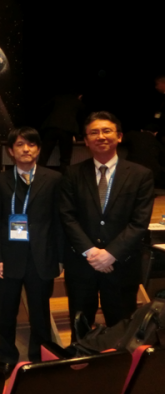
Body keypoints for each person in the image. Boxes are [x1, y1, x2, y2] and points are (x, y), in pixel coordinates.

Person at [60, 111, 154, 338]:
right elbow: (67, 216)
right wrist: (92, 252)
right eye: (94, 132)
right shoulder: (72, 174)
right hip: (82, 265)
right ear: (86, 140)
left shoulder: (141, 175)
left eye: (106, 131)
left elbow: (139, 222)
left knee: (121, 331)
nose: (100, 136)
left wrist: (111, 253)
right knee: (80, 331)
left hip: (121, 265)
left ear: (119, 136)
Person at [0, 127, 63, 376]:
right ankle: (7, 356)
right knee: (6, 311)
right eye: (20, 145)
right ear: (11, 151)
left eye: (31, 144)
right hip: (8, 257)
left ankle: (39, 356)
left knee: (40, 312)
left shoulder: (54, 179)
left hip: (41, 257)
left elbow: (59, 221)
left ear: (38, 149)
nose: (26, 149)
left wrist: (60, 258)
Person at [38, 93, 84, 172]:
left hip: (52, 127)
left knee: (44, 156)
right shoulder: (78, 103)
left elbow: (43, 108)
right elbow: (82, 118)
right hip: (67, 130)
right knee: (65, 158)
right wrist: (78, 135)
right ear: (79, 96)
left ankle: (37, 175)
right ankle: (63, 176)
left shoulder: (58, 98)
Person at [124, 124, 165, 189]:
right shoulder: (158, 143)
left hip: (132, 170)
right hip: (152, 174)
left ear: (141, 130)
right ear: (155, 133)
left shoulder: (132, 135)